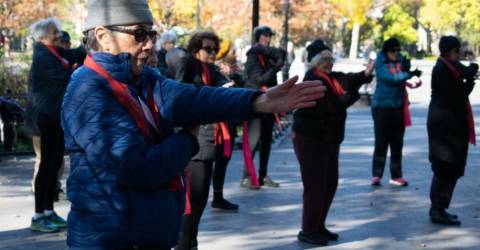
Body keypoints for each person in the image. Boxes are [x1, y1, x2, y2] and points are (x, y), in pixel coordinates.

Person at [62, 0, 325, 249]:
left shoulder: (142, 79)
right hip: (113, 239)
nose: (149, 45)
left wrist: (259, 101)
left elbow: (196, 98)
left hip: (142, 234)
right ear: (102, 35)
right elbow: (137, 167)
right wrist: (188, 139)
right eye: (139, 34)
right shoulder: (88, 89)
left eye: (151, 35)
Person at [292, 40, 374, 246]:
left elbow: (348, 79)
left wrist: (365, 74)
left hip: (328, 140)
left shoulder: (330, 78)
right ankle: (308, 229)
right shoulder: (312, 79)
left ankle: (318, 225)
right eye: (325, 59)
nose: (329, 63)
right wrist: (354, 95)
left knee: (330, 183)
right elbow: (333, 106)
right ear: (314, 62)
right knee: (316, 185)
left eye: (331, 59)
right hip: (310, 139)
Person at [174, 32, 239, 250]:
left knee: (200, 200)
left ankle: (192, 242)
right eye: (208, 49)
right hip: (196, 140)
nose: (212, 53)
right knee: (194, 199)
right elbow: (180, 92)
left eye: (215, 49)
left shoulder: (211, 69)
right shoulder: (189, 64)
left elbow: (228, 86)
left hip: (211, 138)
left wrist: (231, 82)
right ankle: (185, 244)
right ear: (195, 50)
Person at [27, 17, 85, 233]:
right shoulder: (43, 56)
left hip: (56, 118)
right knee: (46, 167)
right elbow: (66, 75)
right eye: (54, 31)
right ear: (42, 37)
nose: (59, 34)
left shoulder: (55, 52)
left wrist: (87, 44)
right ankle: (38, 215)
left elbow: (74, 55)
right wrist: (75, 68)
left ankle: (49, 211)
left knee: (54, 165)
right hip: (46, 118)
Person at [427, 36, 478, 226]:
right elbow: (460, 92)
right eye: (457, 51)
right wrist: (470, 77)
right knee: (444, 167)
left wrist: (470, 74)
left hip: (452, 125)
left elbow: (462, 85)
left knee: (452, 168)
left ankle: (441, 207)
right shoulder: (442, 69)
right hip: (444, 126)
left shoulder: (450, 67)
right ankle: (437, 208)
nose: (459, 55)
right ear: (449, 52)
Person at [370, 38, 422, 187]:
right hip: (381, 107)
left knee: (397, 143)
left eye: (399, 50)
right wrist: (408, 74)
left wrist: (412, 79)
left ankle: (396, 175)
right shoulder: (380, 63)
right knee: (381, 142)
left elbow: (402, 80)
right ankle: (376, 174)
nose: (397, 53)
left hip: (398, 106)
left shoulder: (401, 61)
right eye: (394, 50)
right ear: (387, 51)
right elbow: (390, 79)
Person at [241, 25, 284, 189]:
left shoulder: (268, 55)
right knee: (254, 140)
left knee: (266, 140)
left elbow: (281, 54)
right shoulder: (253, 56)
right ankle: (246, 176)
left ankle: (263, 175)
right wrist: (275, 68)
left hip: (269, 102)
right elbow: (259, 79)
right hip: (256, 103)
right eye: (265, 36)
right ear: (258, 37)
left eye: (269, 36)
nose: (268, 39)